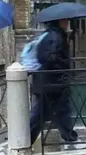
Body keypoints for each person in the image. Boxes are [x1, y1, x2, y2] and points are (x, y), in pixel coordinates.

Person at [30, 18, 80, 147]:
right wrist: (64, 65)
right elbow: (50, 58)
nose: (67, 23)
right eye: (65, 21)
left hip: (48, 83)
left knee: (56, 112)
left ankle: (70, 138)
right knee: (48, 114)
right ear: (59, 22)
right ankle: (22, 141)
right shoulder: (54, 37)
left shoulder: (49, 35)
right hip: (52, 83)